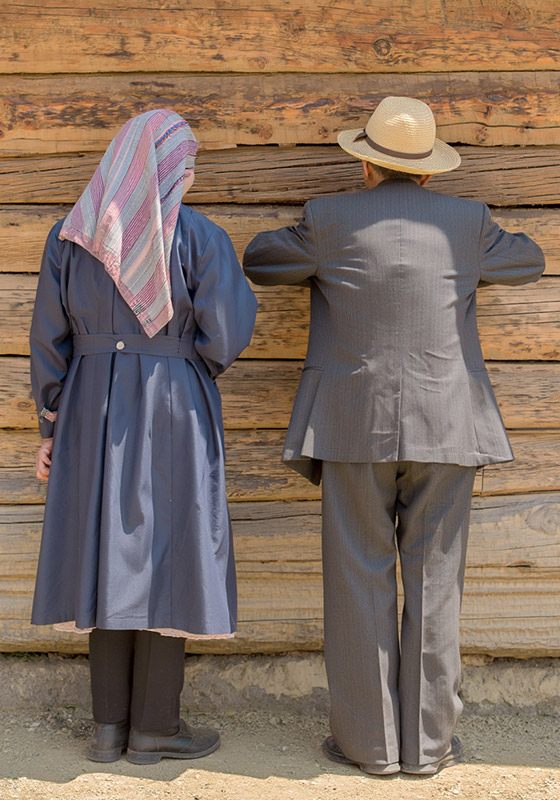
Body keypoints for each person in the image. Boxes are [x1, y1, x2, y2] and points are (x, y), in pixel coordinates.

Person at [243, 96, 544, 776]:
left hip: (354, 423)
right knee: (438, 585)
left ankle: (369, 747)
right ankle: (429, 747)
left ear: (364, 161)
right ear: (431, 172)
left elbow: (261, 262)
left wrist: (316, 248)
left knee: (357, 580)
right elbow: (527, 262)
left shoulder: (328, 217)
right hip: (449, 424)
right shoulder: (468, 221)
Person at [30, 108, 257, 765]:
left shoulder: (69, 239)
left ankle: (108, 729)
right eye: (185, 163)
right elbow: (226, 333)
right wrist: (181, 361)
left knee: (104, 550)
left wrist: (51, 422)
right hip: (172, 405)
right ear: (167, 168)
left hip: (89, 410)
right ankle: (154, 728)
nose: (189, 174)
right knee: (171, 552)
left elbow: (49, 340)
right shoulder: (198, 235)